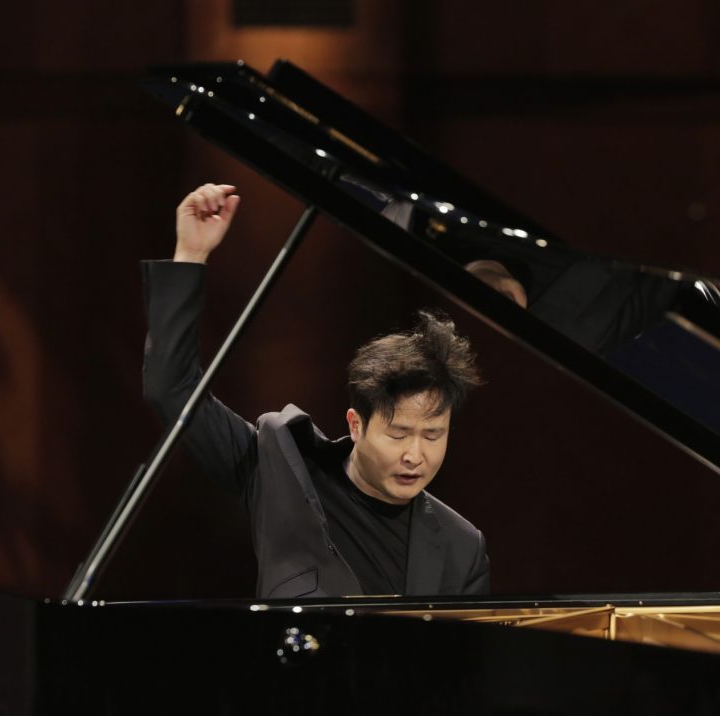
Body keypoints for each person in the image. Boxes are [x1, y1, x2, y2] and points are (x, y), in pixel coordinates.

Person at [142, 183, 489, 598]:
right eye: (398, 434)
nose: (415, 455)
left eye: (433, 435)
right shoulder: (279, 467)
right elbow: (171, 388)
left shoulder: (463, 547)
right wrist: (191, 254)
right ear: (356, 424)